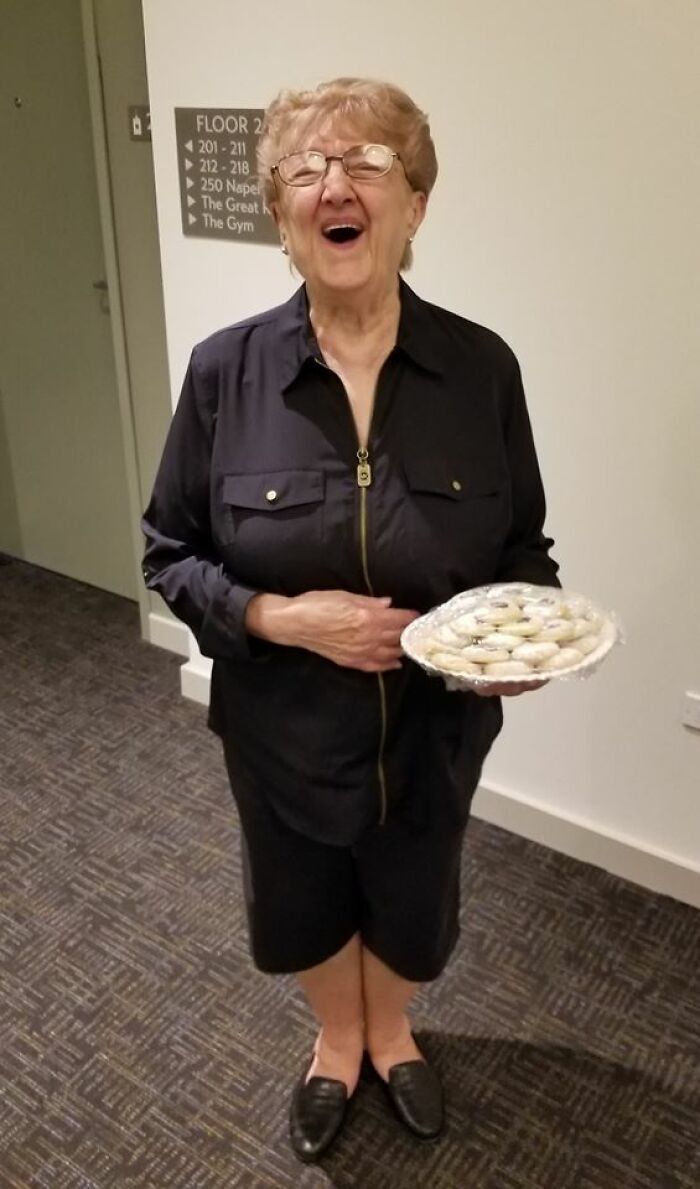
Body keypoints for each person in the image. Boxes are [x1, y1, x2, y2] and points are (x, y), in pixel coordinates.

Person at [141, 76, 560, 1163]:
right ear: (281, 215)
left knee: (416, 906)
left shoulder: (482, 369)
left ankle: (392, 1025)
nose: (336, 184)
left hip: (435, 731)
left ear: (414, 203)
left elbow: (524, 551)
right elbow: (170, 554)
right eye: (305, 169)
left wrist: (522, 640)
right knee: (300, 905)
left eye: (367, 163)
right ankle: (338, 1037)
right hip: (283, 733)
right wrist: (280, 616)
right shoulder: (225, 374)